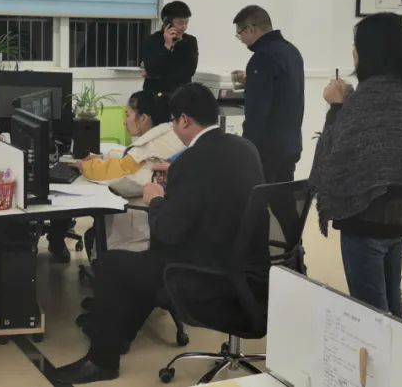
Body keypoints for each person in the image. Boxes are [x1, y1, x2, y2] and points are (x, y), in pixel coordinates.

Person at [52, 83, 266, 384]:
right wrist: (175, 175)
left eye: (174, 121)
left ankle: (101, 362)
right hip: (246, 269)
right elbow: (214, 193)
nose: (173, 128)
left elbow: (168, 231)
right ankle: (117, 333)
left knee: (113, 264)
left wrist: (156, 199)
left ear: (184, 120)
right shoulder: (244, 147)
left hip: (206, 274)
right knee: (146, 263)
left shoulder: (192, 161)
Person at [310, 12, 402, 319]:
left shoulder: (366, 98)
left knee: (370, 314)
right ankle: (401, 347)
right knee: (392, 301)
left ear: (369, 51)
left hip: (366, 221)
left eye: (356, 45)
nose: (353, 52)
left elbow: (331, 162)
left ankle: (385, 351)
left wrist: (336, 107)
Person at [74, 90, 184, 252]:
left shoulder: (147, 148)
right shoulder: (170, 134)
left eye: (128, 115)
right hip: (166, 221)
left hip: (142, 231)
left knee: (93, 235)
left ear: (144, 118)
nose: (125, 122)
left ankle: (105, 264)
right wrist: (104, 157)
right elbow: (132, 164)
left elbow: (121, 175)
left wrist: (85, 166)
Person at [232, 5, 304, 183]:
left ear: (250, 29)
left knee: (259, 196)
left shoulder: (262, 57)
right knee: (283, 195)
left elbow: (257, 111)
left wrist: (246, 148)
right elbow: (284, 90)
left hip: (266, 149)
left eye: (240, 34)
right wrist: (251, 81)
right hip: (290, 143)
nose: (241, 40)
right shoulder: (292, 51)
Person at [141, 1, 199, 96]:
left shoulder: (190, 41)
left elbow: (189, 71)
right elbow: (153, 71)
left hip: (181, 95)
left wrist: (179, 43)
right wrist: (167, 46)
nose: (184, 27)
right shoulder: (151, 41)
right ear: (167, 22)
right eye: (180, 23)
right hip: (155, 96)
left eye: (186, 23)